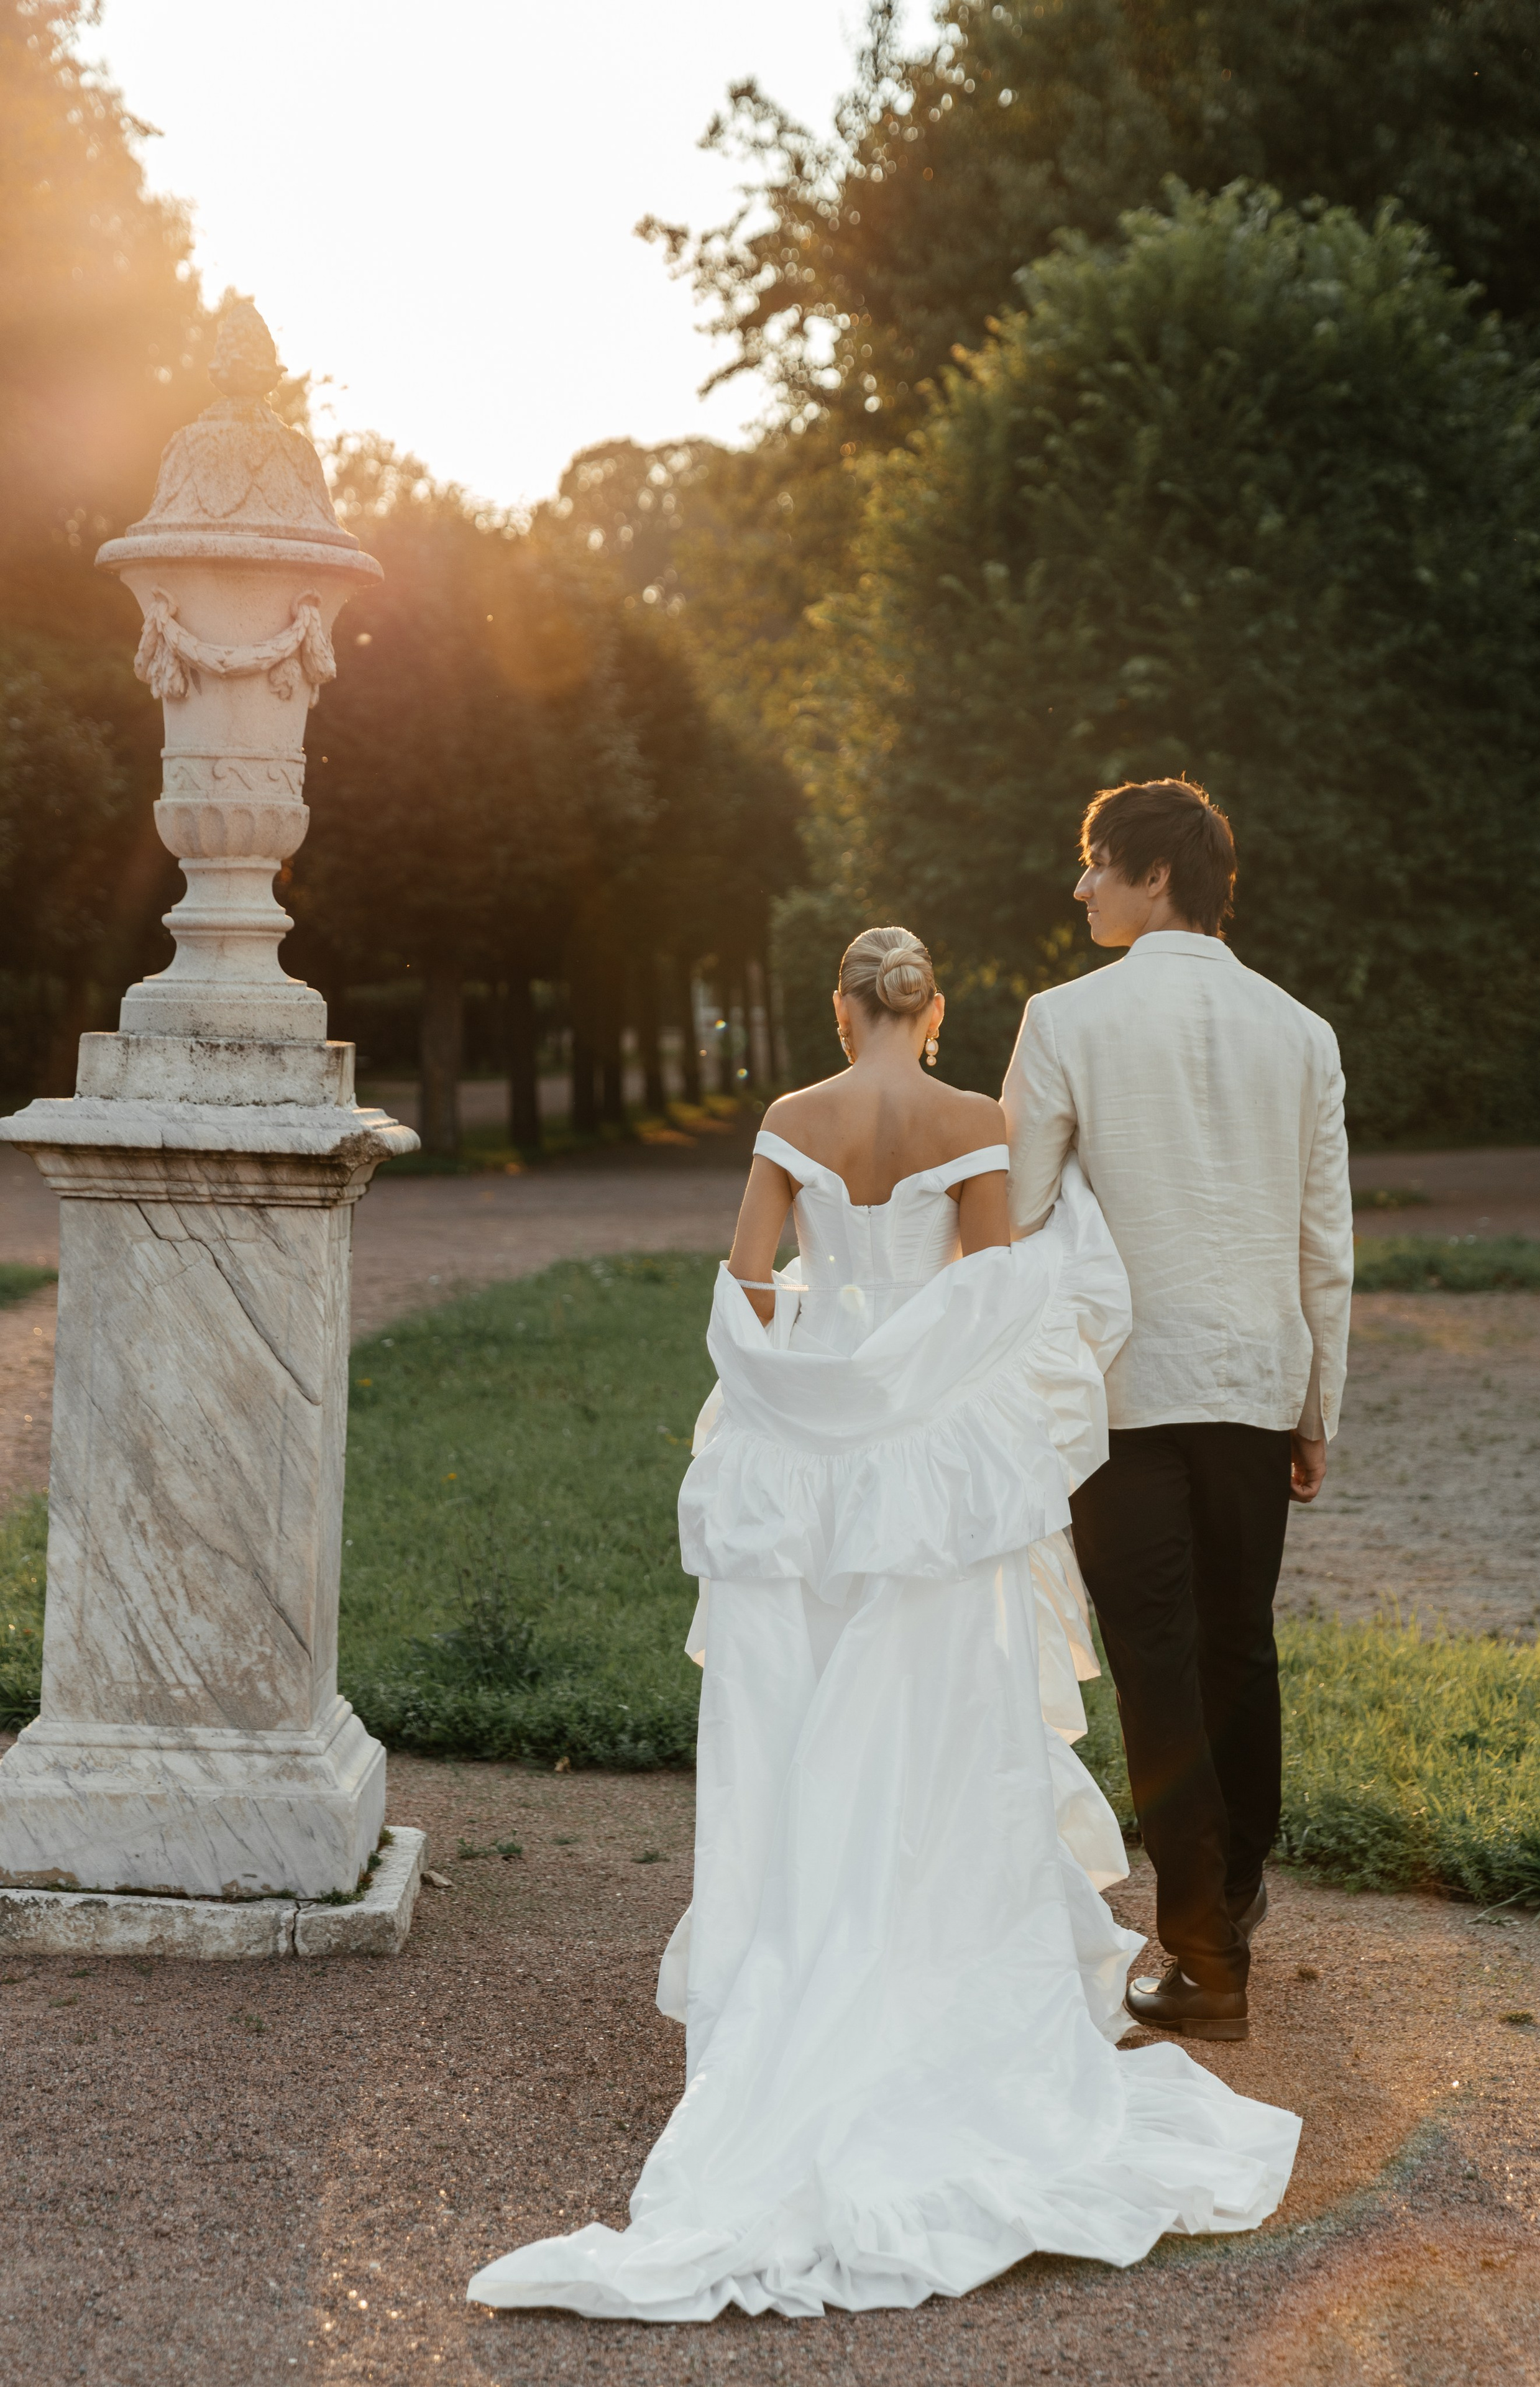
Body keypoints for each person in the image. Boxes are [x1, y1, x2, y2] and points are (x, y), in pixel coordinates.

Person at [468, 925, 1299, 2324]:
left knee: (815, 1699)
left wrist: (803, 1375)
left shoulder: (793, 1117)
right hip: (932, 1470)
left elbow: (743, 1282)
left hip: (819, 1464)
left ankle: (816, 1932)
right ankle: (938, 1947)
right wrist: (947, 1362)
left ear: (840, 1006)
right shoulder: (973, 1118)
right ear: (928, 1013)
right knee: (948, 1707)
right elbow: (980, 1299)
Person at [1002, 779, 1355, 2043]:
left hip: (1123, 1391)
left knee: (1156, 1656)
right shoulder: (1300, 1032)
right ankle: (1232, 1897)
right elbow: (1326, 1243)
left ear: (1154, 875)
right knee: (1235, 1643)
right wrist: (1317, 1404)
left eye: (1093, 862)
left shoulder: (1061, 1020)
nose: (1079, 886)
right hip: (1256, 1383)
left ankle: (1203, 1952)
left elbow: (1016, 1214)